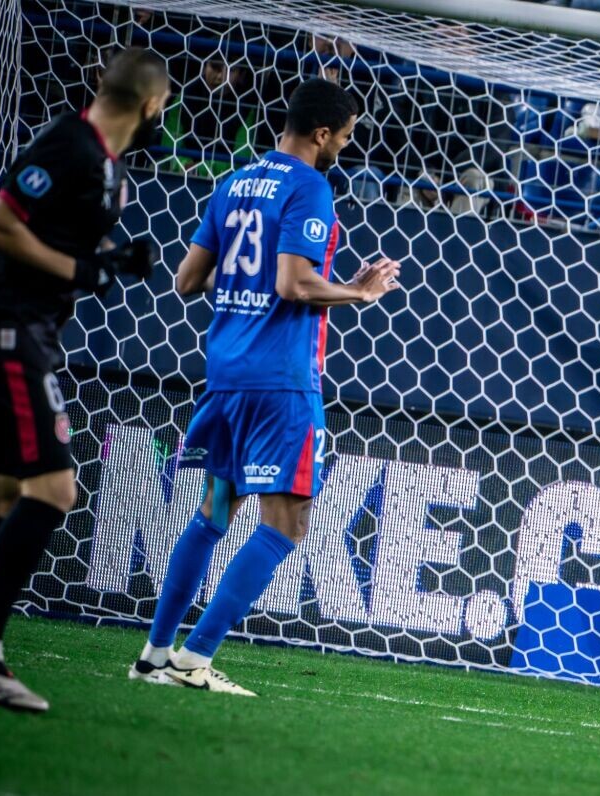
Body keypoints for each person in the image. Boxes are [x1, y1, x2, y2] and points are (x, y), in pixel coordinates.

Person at [128, 78, 400, 695]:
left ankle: (153, 654)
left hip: (225, 375)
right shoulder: (310, 186)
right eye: (346, 135)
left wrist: (246, 274)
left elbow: (185, 280)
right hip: (281, 383)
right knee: (287, 524)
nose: (346, 146)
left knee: (214, 513)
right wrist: (358, 290)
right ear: (322, 134)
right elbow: (295, 285)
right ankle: (195, 660)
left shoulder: (233, 184)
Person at [0, 48, 169, 712]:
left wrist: (110, 258)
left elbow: (63, 241)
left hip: (32, 329)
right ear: (150, 105)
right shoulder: (70, 143)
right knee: (54, 489)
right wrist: (76, 270)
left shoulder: (109, 169)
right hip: (7, 326)